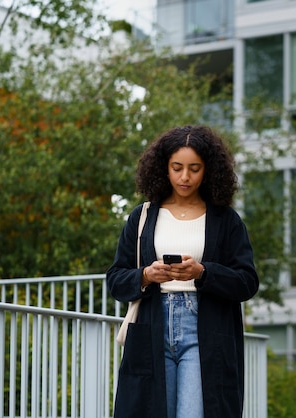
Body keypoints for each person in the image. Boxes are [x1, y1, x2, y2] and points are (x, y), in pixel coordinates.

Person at [106, 125, 259, 418]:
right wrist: (146, 275)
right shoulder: (142, 217)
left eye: (194, 168)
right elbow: (115, 279)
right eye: (177, 168)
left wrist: (202, 272)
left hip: (204, 330)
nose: (185, 177)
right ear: (164, 168)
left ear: (208, 170)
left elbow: (248, 282)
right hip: (152, 326)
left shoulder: (225, 220)